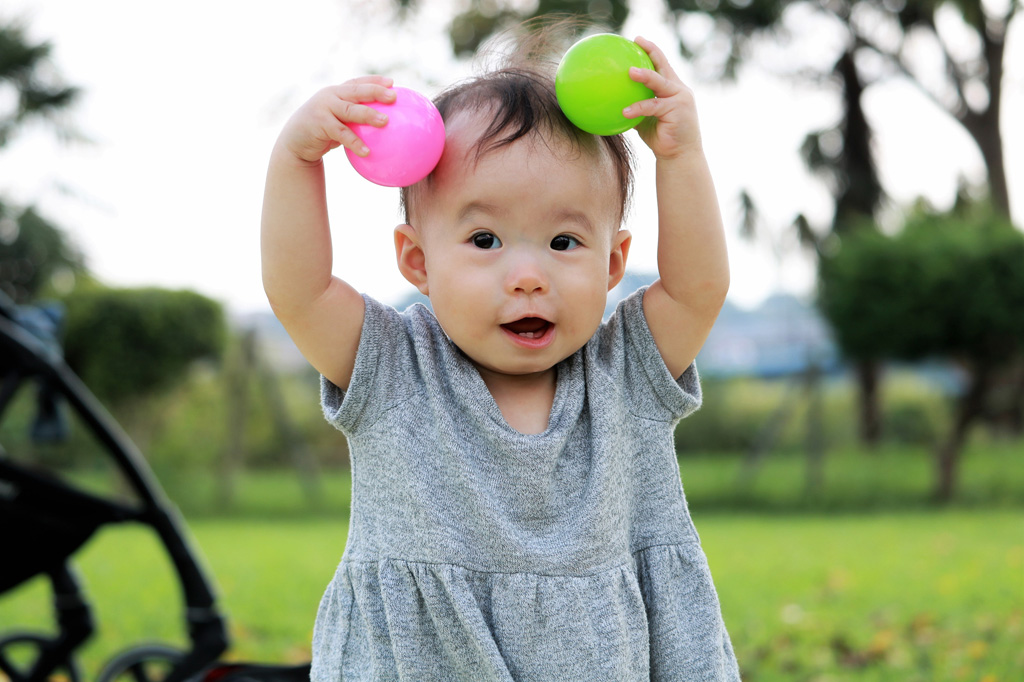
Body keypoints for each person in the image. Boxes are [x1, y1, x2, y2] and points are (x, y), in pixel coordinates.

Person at [261, 22, 739, 682]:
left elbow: (698, 288)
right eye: (485, 240)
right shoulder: (395, 368)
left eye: (564, 242)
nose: (526, 275)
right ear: (417, 260)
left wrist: (679, 159)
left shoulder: (625, 370)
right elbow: (300, 289)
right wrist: (296, 158)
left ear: (613, 262)